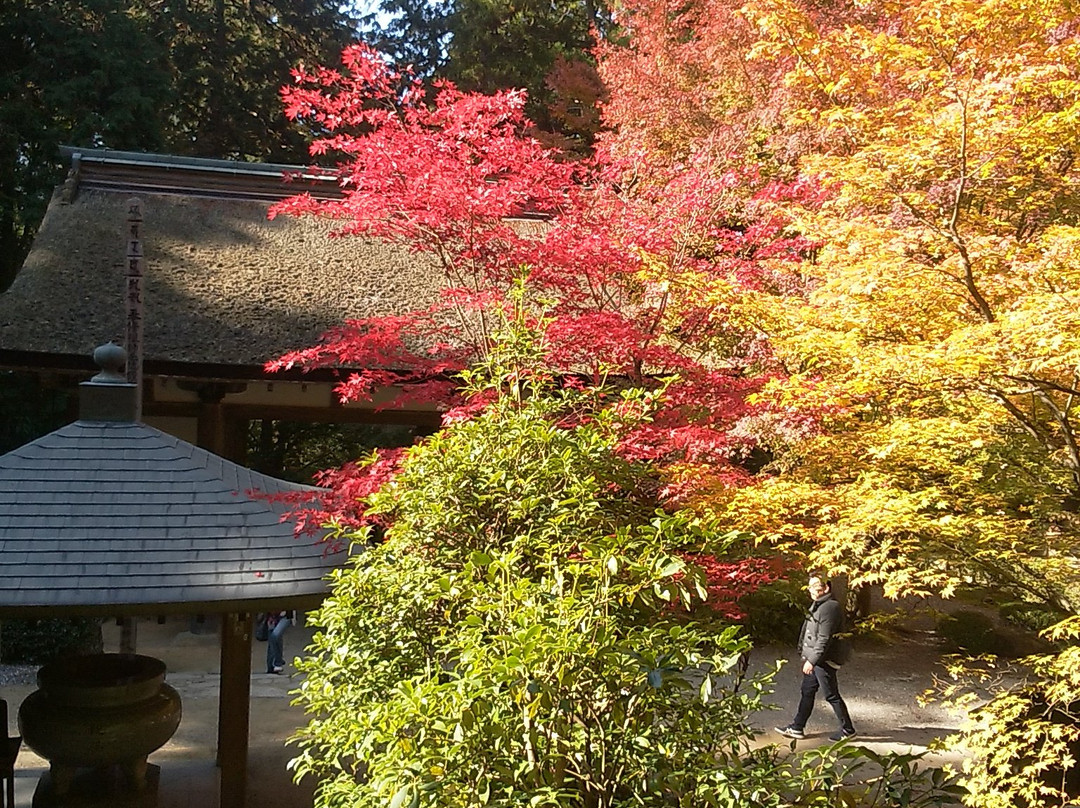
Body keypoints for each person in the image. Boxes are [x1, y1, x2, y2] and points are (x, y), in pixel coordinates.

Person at [775, 574, 857, 742]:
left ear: (825, 588)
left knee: (831, 694)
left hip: (823, 660)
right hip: (815, 658)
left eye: (814, 586)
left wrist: (812, 660)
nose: (810, 590)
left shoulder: (830, 607)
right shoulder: (819, 604)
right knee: (807, 691)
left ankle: (848, 730)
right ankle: (797, 727)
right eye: (810, 586)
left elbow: (824, 638)